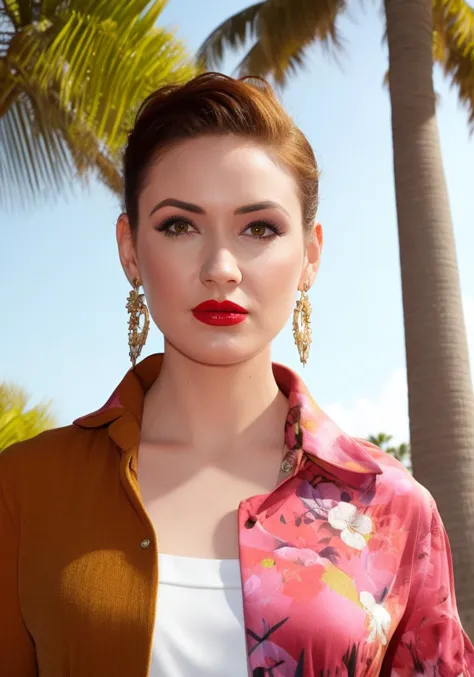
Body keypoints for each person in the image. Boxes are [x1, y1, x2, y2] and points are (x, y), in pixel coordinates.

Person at [0, 72, 472, 677]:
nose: (221, 268)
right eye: (179, 225)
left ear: (310, 256)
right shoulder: (24, 489)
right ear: (130, 250)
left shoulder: (392, 507)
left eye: (259, 228)